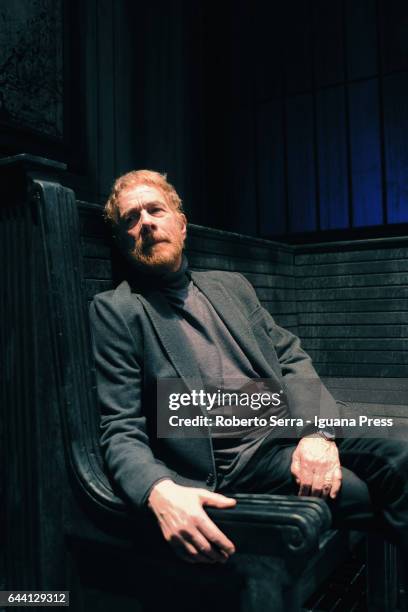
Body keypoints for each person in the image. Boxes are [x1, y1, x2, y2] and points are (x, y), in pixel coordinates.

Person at [90, 169, 408, 573]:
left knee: (402, 451)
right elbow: (119, 426)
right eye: (130, 219)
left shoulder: (231, 286)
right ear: (122, 241)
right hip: (241, 463)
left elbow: (291, 358)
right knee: (361, 492)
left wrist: (316, 431)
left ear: (182, 224)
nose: (146, 223)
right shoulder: (117, 310)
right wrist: (157, 489)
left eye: (155, 209)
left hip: (292, 423)